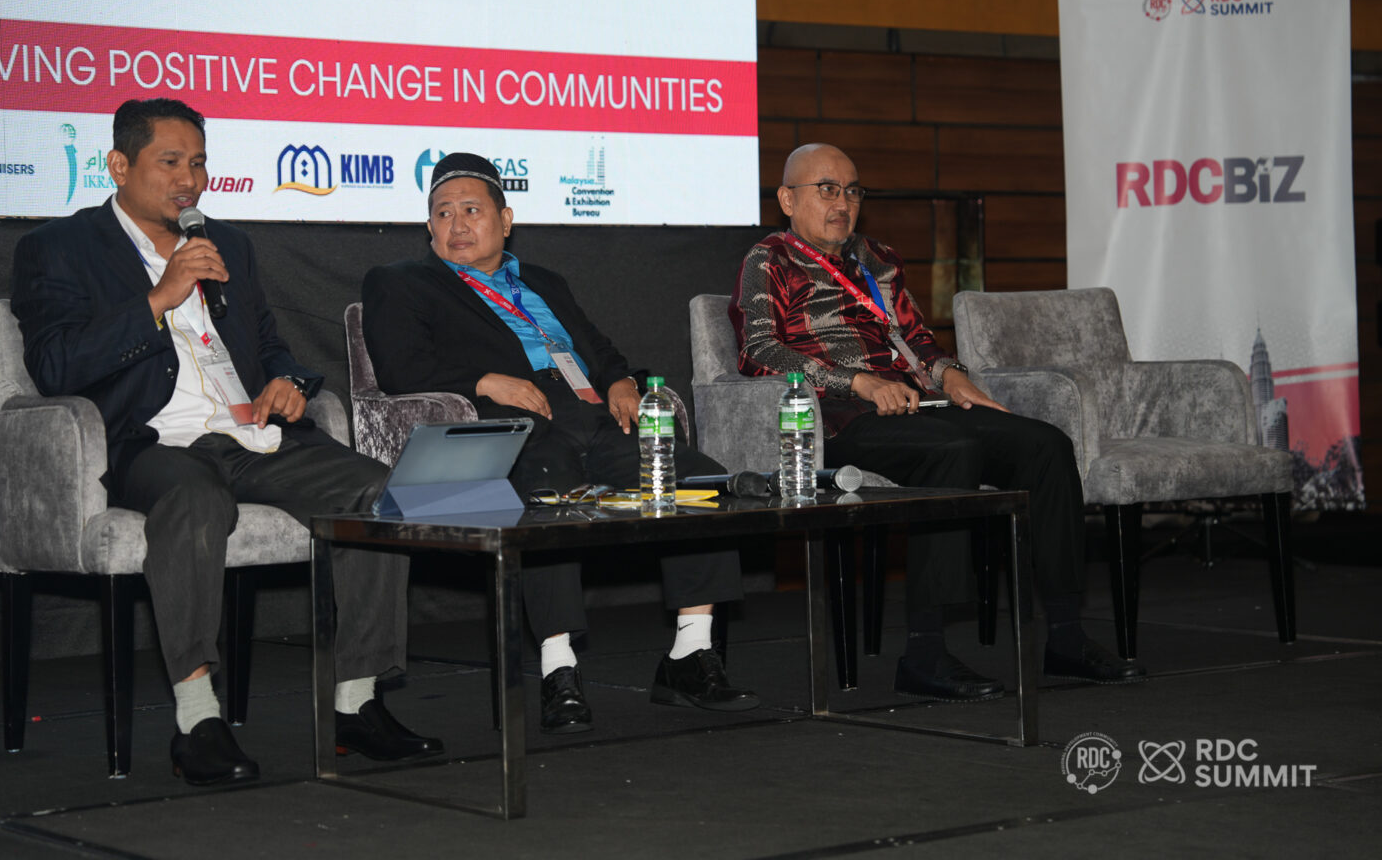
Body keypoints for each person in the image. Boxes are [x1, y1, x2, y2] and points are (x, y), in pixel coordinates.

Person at [10, 98, 441, 785]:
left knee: (380, 492)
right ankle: (197, 720)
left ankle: (356, 703)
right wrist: (160, 297)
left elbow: (271, 346)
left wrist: (288, 383)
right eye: (170, 162)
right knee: (194, 501)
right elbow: (55, 367)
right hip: (152, 444)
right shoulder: (59, 248)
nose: (189, 180)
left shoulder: (228, 245)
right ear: (119, 165)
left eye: (199, 163)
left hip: (251, 436)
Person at [729, 142, 1145, 701]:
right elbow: (758, 351)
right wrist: (856, 381)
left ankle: (1066, 635)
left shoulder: (877, 258)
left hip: (917, 404)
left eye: (852, 191)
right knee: (951, 450)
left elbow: (918, 339)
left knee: (1045, 444)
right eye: (826, 189)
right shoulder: (768, 260)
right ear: (787, 199)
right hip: (836, 417)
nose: (842, 203)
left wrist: (953, 376)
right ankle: (925, 653)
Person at [361, 152, 759, 734]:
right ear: (429, 228)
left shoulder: (544, 282)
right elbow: (399, 367)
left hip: (592, 417)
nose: (457, 225)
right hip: (513, 426)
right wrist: (484, 381)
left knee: (700, 484)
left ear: (505, 219)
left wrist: (620, 381)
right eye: (443, 214)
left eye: (471, 210)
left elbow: (598, 348)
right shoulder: (401, 282)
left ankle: (690, 654)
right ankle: (558, 668)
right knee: (550, 500)